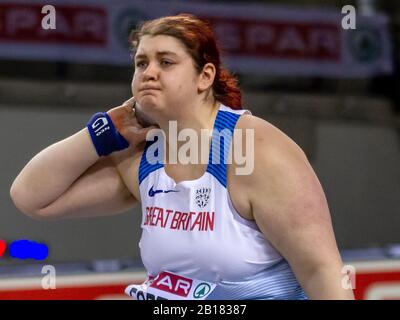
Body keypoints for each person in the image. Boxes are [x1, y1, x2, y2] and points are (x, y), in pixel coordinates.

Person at [10, 14, 354, 300]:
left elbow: (321, 270)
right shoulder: (141, 157)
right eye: (141, 63)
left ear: (205, 76)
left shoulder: (256, 147)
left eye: (166, 62)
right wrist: (100, 133)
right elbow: (32, 198)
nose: (149, 72)